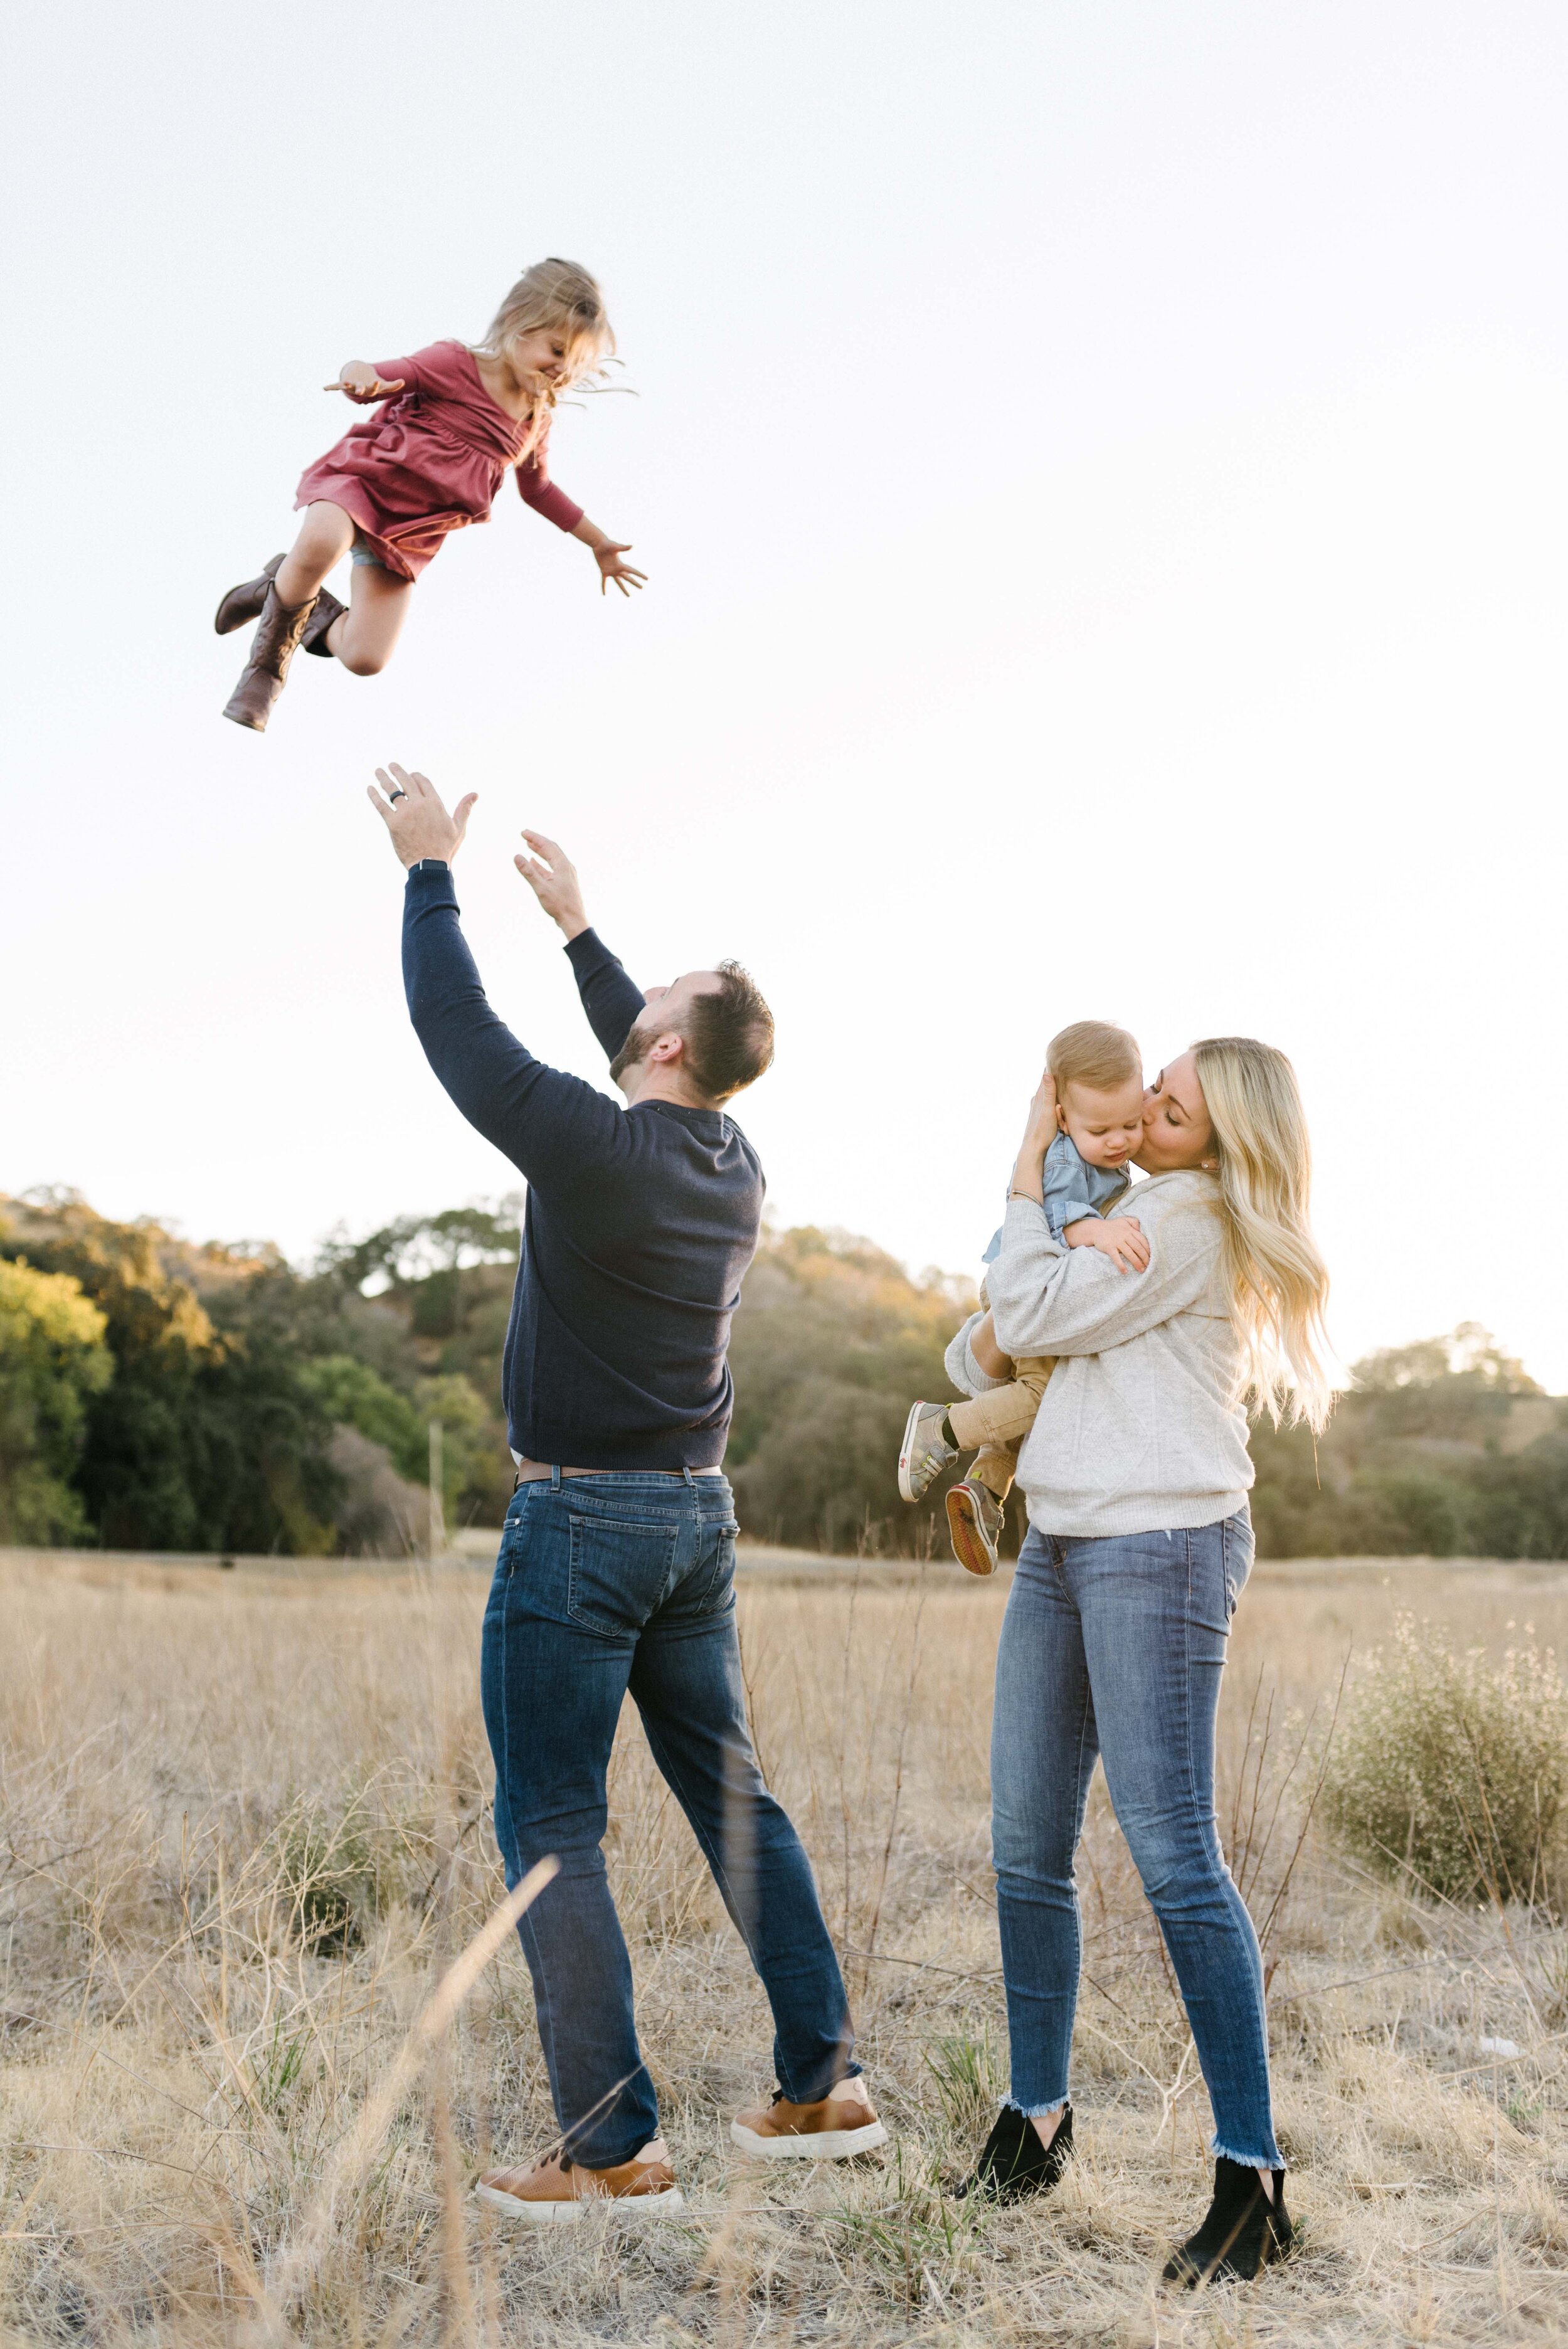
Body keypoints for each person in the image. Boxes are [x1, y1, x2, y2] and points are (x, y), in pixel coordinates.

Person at [367, 763, 885, 2223]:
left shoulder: (595, 1149)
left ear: (661, 1044)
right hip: (692, 1526)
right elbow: (642, 1046)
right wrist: (588, 935)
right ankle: (823, 2081)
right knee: (732, 1798)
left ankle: (610, 2148)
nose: (629, 1011)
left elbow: (455, 1033)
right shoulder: (730, 1158)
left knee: (552, 1827)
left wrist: (429, 874)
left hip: (581, 1527)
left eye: (643, 998)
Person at [952, 1041, 1331, 2289]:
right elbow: (987, 1351)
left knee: (1173, 1859)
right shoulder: (1115, 1207)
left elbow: (1019, 1317)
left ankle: (1249, 2175)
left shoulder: (1186, 1216)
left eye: (1169, 1112)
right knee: (1023, 1846)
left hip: (1157, 1550)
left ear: (1220, 1142)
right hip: (1060, 1545)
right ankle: (1036, 2124)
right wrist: (1029, 1281)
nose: (1141, 1119)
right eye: (1149, 1098)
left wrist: (1023, 1183)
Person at [218, 260, 644, 731]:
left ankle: (284, 588)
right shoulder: (456, 363)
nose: (561, 369)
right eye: (557, 349)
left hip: (409, 534)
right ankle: (265, 672)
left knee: (365, 656)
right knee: (321, 543)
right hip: (363, 483)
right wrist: (360, 377)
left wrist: (598, 543)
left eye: (574, 362)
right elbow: (382, 373)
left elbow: (538, 489)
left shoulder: (533, 421)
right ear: (519, 320)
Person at [898, 1021, 1150, 1574]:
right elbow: (1055, 1219)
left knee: (1032, 1401)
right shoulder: (1062, 1160)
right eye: (1103, 1128)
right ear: (1060, 1116)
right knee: (1038, 1394)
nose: (1120, 1141)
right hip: (1024, 1281)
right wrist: (1101, 1233)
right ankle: (941, 1429)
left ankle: (986, 1492)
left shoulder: (1101, 1150)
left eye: (1132, 1124)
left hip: (1038, 1288)